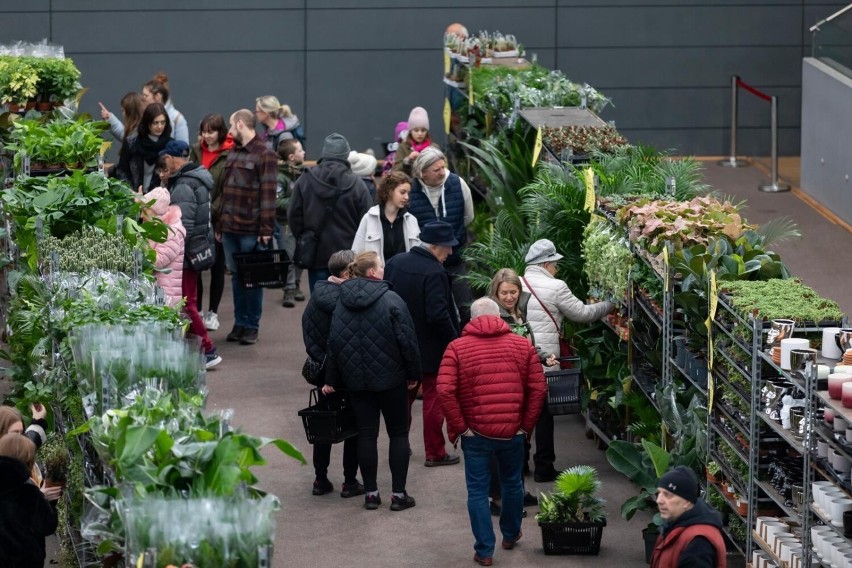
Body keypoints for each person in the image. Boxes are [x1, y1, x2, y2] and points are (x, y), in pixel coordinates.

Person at [437, 297, 547, 567]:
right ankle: (510, 534)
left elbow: (444, 390)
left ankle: (485, 550)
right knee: (512, 483)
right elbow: (539, 389)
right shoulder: (523, 346)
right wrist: (525, 425)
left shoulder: (457, 348)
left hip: (476, 434)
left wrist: (461, 427)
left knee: (477, 491)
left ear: (472, 319)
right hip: (513, 432)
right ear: (499, 317)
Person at [323, 251, 421, 511]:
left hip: (356, 381)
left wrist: (332, 378)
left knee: (366, 434)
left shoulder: (341, 303)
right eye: (381, 265)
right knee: (398, 434)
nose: (384, 268)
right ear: (373, 272)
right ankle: (399, 495)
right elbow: (407, 342)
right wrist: (414, 374)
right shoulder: (391, 299)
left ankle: (371, 493)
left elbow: (334, 343)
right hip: (392, 379)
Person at [521, 238, 613, 482]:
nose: (557, 269)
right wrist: (610, 305)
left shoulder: (516, 283)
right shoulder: (556, 286)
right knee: (542, 414)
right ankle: (544, 466)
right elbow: (582, 313)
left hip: (519, 358)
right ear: (546, 264)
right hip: (545, 360)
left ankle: (520, 463)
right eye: (555, 265)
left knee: (521, 412)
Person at [384, 221, 460, 467]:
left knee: (402, 399)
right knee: (433, 399)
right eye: (448, 247)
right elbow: (437, 314)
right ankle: (435, 452)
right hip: (430, 349)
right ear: (436, 246)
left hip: (398, 344)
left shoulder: (395, 262)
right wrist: (455, 340)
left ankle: (400, 445)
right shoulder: (434, 272)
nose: (450, 253)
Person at [488, 268, 556, 514]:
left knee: (519, 440)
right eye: (504, 293)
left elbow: (525, 346)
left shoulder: (518, 312)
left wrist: (542, 356)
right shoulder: (495, 318)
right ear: (495, 292)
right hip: (509, 386)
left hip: (525, 382)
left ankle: (516, 491)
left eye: (513, 292)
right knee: (509, 442)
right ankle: (503, 496)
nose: (509, 297)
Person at [301, 250, 363, 498]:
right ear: (347, 273)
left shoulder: (316, 296)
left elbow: (308, 332)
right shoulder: (347, 301)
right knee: (354, 427)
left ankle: (320, 479)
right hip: (345, 373)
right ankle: (350, 481)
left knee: (323, 427)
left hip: (322, 372)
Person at [216, 109, 278, 345]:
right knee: (236, 278)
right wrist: (221, 223)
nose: (230, 131)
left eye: (232, 126)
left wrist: (265, 230)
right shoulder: (234, 152)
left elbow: (268, 195)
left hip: (252, 230)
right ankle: (240, 323)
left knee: (253, 279)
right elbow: (225, 192)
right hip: (230, 227)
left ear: (241, 124)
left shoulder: (265, 154)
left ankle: (251, 325)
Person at [159, 139, 221, 369]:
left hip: (186, 253)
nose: (164, 162)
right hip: (196, 249)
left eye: (166, 158)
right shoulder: (196, 178)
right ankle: (200, 348)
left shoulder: (184, 183)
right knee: (189, 301)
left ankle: (207, 349)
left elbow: (181, 223)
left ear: (174, 158)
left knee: (186, 304)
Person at [288, 133, 372, 292]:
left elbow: (293, 215)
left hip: (316, 253)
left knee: (320, 306)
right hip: (348, 258)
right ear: (346, 155)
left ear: (324, 153)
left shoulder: (304, 180)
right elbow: (367, 222)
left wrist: (305, 237)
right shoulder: (357, 185)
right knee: (348, 305)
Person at [408, 146, 475, 324]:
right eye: (436, 169)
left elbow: (469, 216)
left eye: (443, 167)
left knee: (464, 305)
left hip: (456, 258)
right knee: (433, 308)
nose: (442, 172)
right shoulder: (411, 192)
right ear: (422, 173)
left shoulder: (457, 183)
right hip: (425, 262)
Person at [189, 113, 234, 332]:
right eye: (204, 131)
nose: (207, 136)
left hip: (217, 218)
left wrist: (210, 210)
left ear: (220, 132)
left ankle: (213, 312)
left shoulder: (228, 155)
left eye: (211, 131)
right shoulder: (195, 151)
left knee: (217, 266)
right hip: (197, 216)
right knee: (195, 263)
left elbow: (226, 191)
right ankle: (196, 309)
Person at [0, 433, 58, 568]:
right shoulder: (28, 492)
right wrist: (48, 502)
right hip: (24, 561)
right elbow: (46, 526)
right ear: (28, 462)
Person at [651, 466, 726, 568]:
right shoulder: (676, 524)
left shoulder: (698, 544)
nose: (659, 500)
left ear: (686, 501)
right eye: (659, 493)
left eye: (667, 495)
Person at [351, 171, 421, 265]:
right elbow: (356, 253)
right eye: (402, 192)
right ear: (390, 191)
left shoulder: (411, 220)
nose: (406, 197)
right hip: (376, 278)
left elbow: (418, 255)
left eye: (408, 193)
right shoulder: (369, 218)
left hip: (405, 276)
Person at [114, 103, 171, 193]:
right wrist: (131, 193)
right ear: (147, 123)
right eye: (155, 122)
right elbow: (121, 171)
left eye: (163, 122)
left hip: (159, 200)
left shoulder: (170, 146)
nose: (160, 126)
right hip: (133, 197)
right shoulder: (131, 143)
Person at [142, 186, 185, 306]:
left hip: (165, 296)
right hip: (156, 292)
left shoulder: (171, 233)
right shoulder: (155, 227)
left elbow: (157, 261)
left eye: (145, 211)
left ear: (156, 211)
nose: (141, 215)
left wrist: (140, 246)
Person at [276, 138, 306, 307]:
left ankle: (296, 284)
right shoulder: (280, 177)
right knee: (289, 256)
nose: (304, 153)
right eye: (300, 151)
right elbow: (277, 202)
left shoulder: (305, 174)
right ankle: (288, 289)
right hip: (286, 224)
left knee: (301, 255)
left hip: (303, 222)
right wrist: (297, 202)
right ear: (292, 157)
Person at [142, 73, 189, 143]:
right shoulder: (143, 115)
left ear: (157, 97)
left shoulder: (177, 119)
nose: (143, 99)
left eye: (146, 96)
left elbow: (184, 150)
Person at [393, 107, 438, 177]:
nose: (420, 134)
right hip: (410, 185)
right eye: (416, 130)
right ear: (410, 131)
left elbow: (441, 167)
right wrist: (407, 160)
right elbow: (395, 170)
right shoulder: (403, 147)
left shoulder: (433, 147)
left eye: (423, 130)